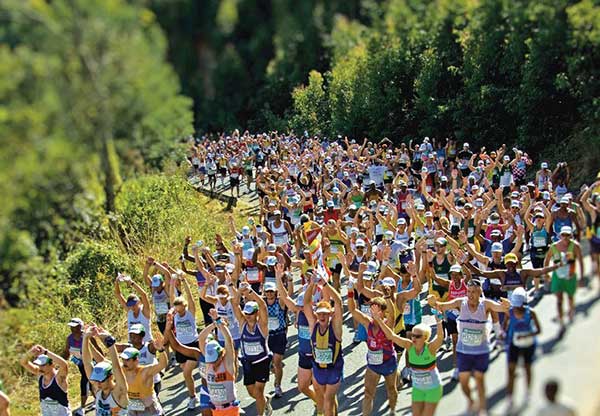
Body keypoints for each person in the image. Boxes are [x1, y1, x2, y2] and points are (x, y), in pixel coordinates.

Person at [427, 279, 511, 415]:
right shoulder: (460, 303)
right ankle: (471, 401)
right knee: (464, 382)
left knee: (479, 380)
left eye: (474, 292)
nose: (470, 295)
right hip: (463, 351)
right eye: (469, 292)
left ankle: (482, 409)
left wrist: (507, 305)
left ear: (480, 292)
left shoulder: (486, 304)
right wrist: (432, 302)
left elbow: (502, 308)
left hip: (480, 351)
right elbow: (440, 306)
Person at [165, 308, 240, 416]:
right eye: (210, 359)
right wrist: (169, 330)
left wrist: (219, 322)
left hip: (228, 407)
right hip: (213, 401)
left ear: (220, 354)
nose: (212, 362)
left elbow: (228, 340)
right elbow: (200, 339)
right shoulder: (204, 357)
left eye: (214, 359)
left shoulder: (227, 362)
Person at [373, 310, 445, 416]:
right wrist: (379, 320)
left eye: (417, 336)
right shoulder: (409, 345)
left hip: (433, 388)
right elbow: (391, 336)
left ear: (425, 337)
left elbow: (440, 337)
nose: (414, 338)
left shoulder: (430, 348)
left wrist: (438, 321)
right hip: (418, 388)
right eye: (412, 335)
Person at [304, 273, 344, 416]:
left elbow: (338, 302)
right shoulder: (313, 325)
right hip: (318, 369)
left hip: (334, 368)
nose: (322, 316)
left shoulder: (335, 327)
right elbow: (306, 303)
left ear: (330, 315)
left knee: (328, 400)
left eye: (325, 314)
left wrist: (325, 284)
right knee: (324, 400)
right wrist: (312, 284)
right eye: (320, 314)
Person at [231, 283, 273, 416]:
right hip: (247, 362)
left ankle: (261, 414)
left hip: (262, 361)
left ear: (256, 313)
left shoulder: (262, 325)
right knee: (252, 392)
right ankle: (265, 400)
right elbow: (235, 305)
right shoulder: (242, 323)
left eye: (251, 313)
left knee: (259, 392)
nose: (248, 315)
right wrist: (239, 291)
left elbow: (263, 306)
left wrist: (251, 292)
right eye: (246, 313)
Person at [504, 287, 541, 413]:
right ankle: (510, 398)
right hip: (513, 344)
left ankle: (528, 393)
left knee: (527, 368)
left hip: (528, 345)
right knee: (511, 370)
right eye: (515, 305)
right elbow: (504, 326)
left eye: (518, 305)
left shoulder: (531, 313)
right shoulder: (509, 312)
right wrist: (503, 334)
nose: (516, 308)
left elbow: (538, 330)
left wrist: (526, 335)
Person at [168, 272, 200, 409]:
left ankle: (194, 397)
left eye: (181, 311)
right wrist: (172, 281)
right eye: (177, 310)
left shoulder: (190, 312)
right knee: (186, 374)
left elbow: (190, 298)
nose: (179, 313)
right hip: (180, 346)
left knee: (186, 372)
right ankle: (193, 396)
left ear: (185, 307)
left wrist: (184, 281)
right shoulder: (175, 313)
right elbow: (171, 297)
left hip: (192, 345)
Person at [82, 326, 129, 415]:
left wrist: (110, 341)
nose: (98, 384)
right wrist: (85, 338)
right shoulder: (98, 389)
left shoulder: (119, 392)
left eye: (101, 380)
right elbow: (87, 363)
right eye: (97, 380)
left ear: (110, 376)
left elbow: (116, 367)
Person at [544, 226, 584, 330]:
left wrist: (582, 277)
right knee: (559, 300)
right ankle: (561, 321)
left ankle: (571, 311)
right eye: (563, 235)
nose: (565, 237)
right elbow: (547, 259)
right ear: (560, 236)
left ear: (571, 236)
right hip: (557, 277)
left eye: (567, 235)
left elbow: (580, 261)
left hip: (570, 276)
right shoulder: (554, 247)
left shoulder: (575, 246)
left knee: (570, 297)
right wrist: (546, 273)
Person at [19, 345, 71, 415]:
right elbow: (23, 362)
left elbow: (64, 365)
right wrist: (30, 353)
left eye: (43, 365)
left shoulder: (59, 378)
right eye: (39, 365)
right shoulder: (40, 375)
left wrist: (45, 352)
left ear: (52, 364)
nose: (40, 368)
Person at [119, 340, 166, 415]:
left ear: (136, 361)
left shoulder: (145, 372)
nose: (124, 362)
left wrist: (161, 350)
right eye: (123, 360)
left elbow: (162, 364)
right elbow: (104, 361)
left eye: (127, 360)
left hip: (150, 411)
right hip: (134, 410)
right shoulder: (122, 370)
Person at [63, 318, 91, 416]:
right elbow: (67, 352)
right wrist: (61, 364)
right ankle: (93, 400)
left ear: (80, 327)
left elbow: (97, 349)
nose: (72, 329)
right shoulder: (69, 339)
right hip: (80, 364)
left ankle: (83, 407)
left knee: (85, 381)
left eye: (74, 327)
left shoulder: (86, 337)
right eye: (71, 327)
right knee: (89, 382)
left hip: (90, 363)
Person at [114, 275, 153, 343]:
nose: (132, 307)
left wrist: (131, 283)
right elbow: (118, 294)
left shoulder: (144, 311)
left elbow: (143, 294)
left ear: (139, 302)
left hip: (146, 344)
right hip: (132, 344)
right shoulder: (129, 310)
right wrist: (117, 282)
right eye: (130, 305)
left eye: (134, 304)